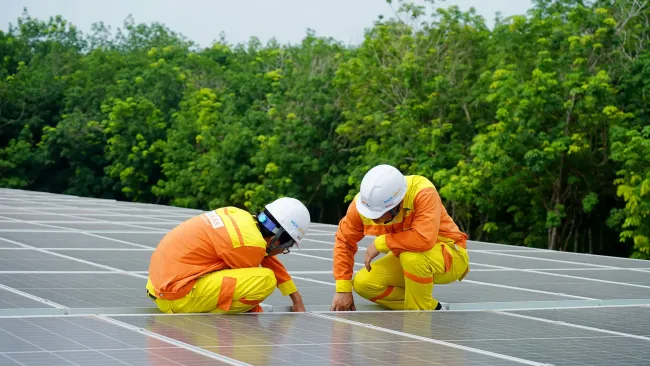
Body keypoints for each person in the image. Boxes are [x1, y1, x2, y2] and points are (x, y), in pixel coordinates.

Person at [330, 164, 470, 311]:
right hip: (407, 258)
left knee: (411, 258)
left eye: (378, 215)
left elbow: (424, 239)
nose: (373, 219)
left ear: (397, 205)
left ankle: (417, 321)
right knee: (364, 283)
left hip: (451, 256)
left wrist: (381, 242)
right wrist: (343, 288)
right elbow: (344, 241)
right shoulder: (363, 205)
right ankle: (433, 308)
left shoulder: (422, 192)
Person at [146, 197, 310, 314]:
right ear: (279, 239)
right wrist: (255, 315)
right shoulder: (250, 246)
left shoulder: (239, 217)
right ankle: (211, 318)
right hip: (176, 295)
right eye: (287, 247)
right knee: (265, 280)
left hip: (159, 284)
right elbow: (250, 287)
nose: (283, 252)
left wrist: (296, 298)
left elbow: (265, 257)